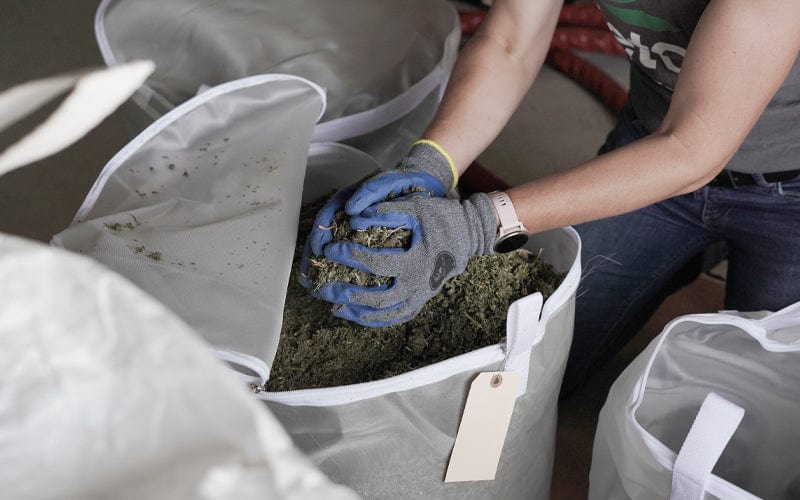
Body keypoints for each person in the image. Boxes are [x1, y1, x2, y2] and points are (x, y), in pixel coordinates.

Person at [300, 0, 800, 395]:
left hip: (786, 190)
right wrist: (431, 162)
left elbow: (693, 150)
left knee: (760, 411)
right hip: (651, 138)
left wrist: (480, 223)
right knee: (532, 365)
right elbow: (512, 39)